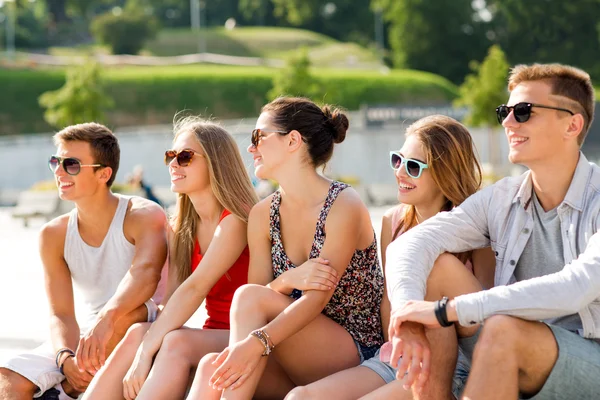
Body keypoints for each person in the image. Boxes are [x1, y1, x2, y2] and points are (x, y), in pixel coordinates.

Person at [385, 63, 600, 400]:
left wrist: (446, 310)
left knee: (502, 327)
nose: (508, 122)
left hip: (589, 357)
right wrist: (408, 315)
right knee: (436, 266)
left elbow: (576, 288)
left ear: (572, 125)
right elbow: (410, 244)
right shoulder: (502, 197)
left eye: (524, 112)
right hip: (504, 337)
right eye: (506, 111)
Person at [187, 96, 384, 399]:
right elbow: (257, 295)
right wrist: (287, 279)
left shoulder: (344, 204)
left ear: (293, 140)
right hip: (286, 347)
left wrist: (255, 344)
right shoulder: (262, 214)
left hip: (352, 353)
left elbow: (314, 301)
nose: (251, 148)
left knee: (247, 302)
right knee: (210, 368)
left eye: (259, 136)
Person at [286, 115, 495, 400]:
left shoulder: (477, 226)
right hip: (397, 356)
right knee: (299, 397)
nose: (400, 172)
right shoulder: (392, 221)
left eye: (413, 166)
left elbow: (482, 314)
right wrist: (399, 348)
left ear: (446, 172)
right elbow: (388, 298)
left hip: (457, 363)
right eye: (398, 160)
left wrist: (431, 321)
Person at [82, 117, 258, 400]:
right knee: (140, 332)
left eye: (185, 156)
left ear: (216, 163)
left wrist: (146, 353)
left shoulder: (238, 219)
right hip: (211, 334)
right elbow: (174, 296)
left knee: (173, 341)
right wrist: (144, 339)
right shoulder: (181, 227)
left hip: (247, 337)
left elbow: (195, 288)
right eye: (171, 156)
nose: (174, 164)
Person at [0, 123, 168, 400]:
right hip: (90, 329)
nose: (59, 171)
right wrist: (64, 357)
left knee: (129, 316)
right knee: (9, 377)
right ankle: (65, 388)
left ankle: (64, 392)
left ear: (104, 173)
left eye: (72, 164)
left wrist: (108, 317)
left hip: (141, 320)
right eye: (56, 161)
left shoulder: (142, 215)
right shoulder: (53, 234)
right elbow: (61, 313)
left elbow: (146, 276)